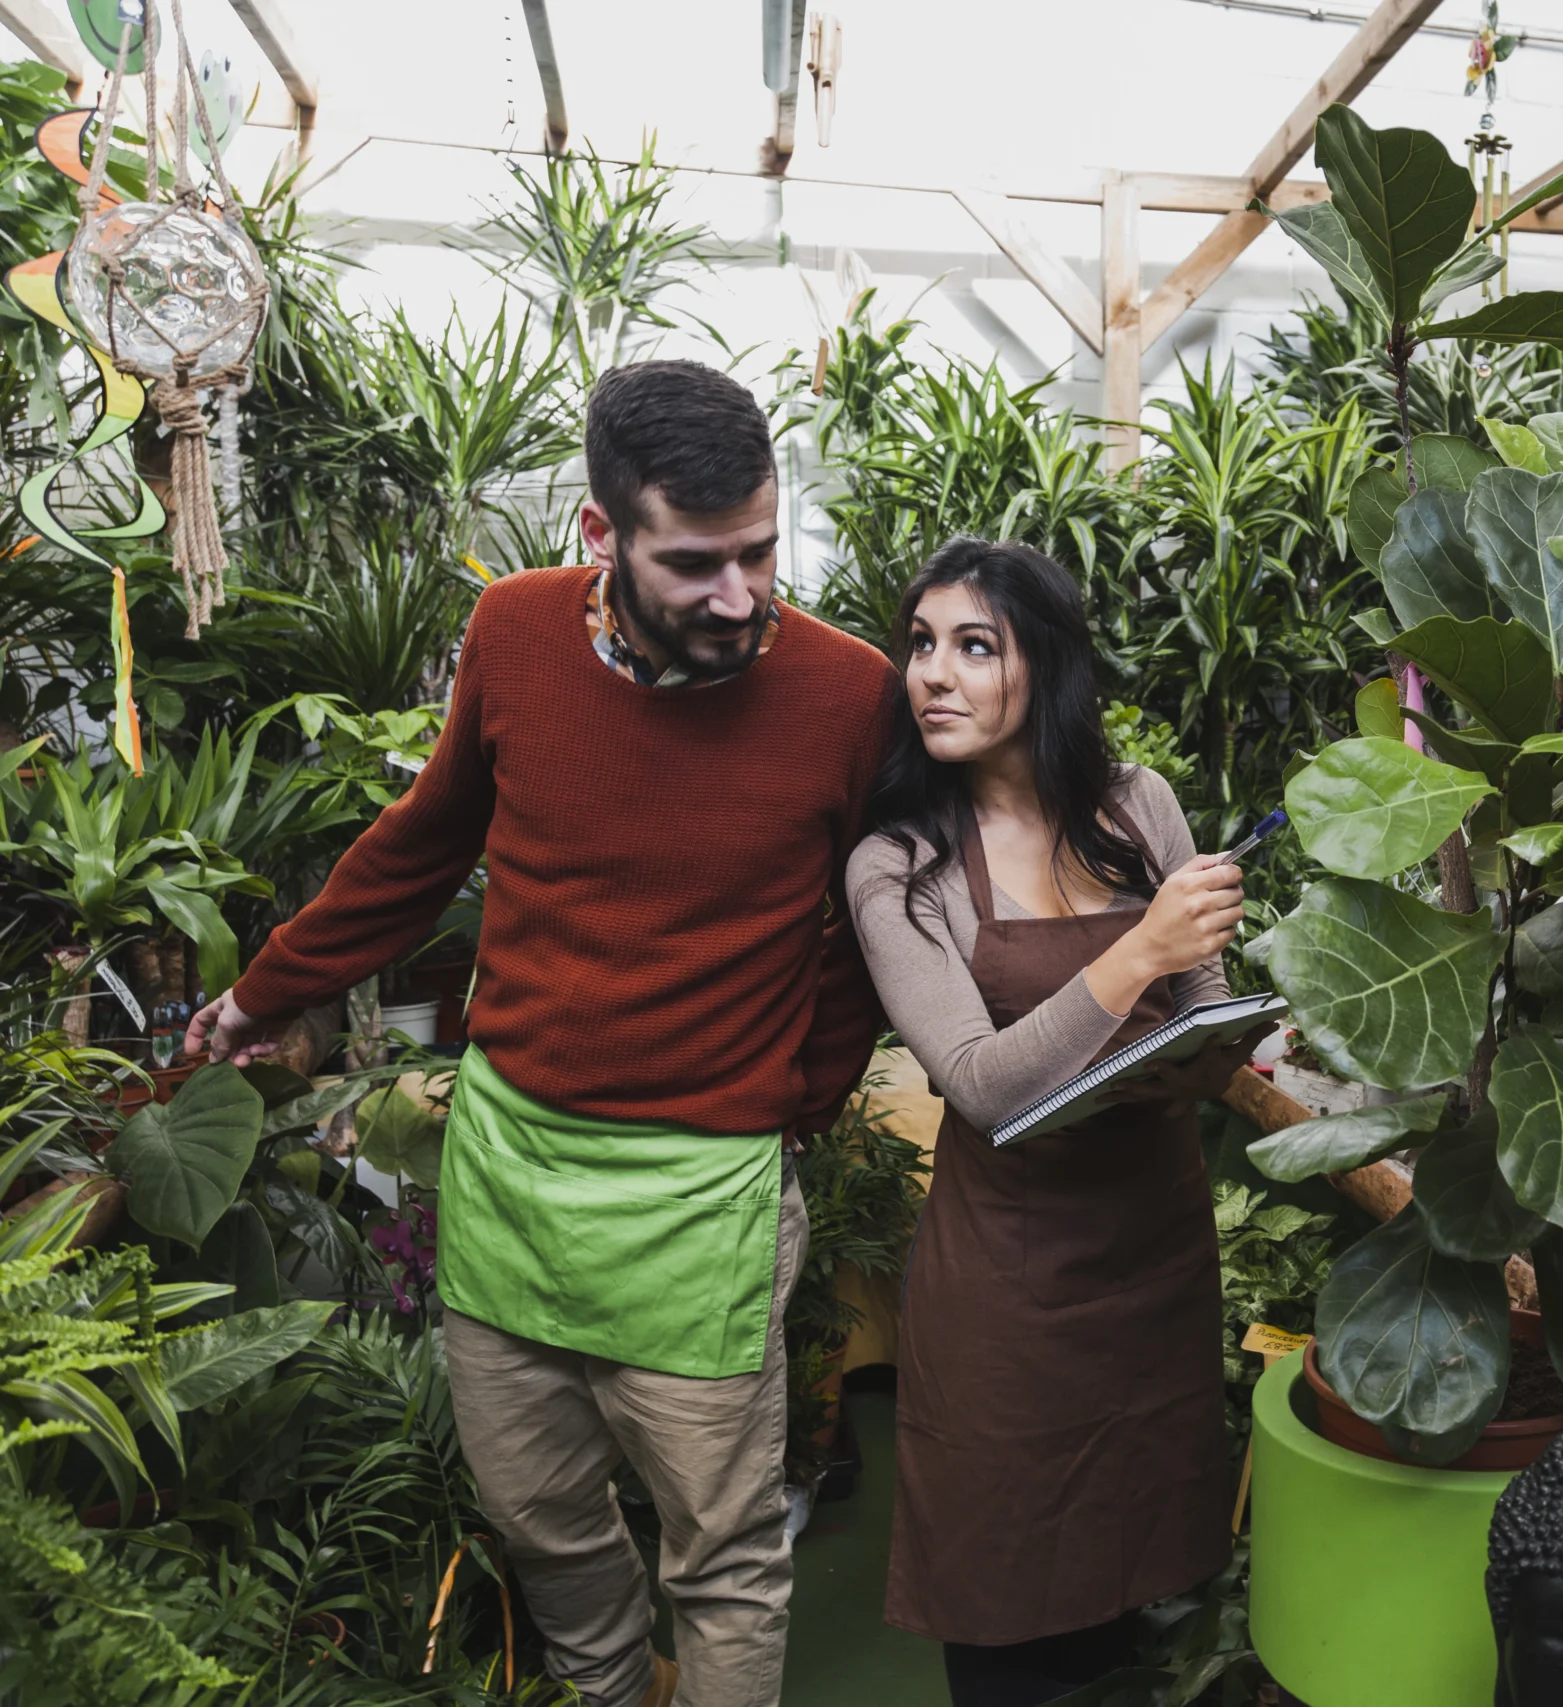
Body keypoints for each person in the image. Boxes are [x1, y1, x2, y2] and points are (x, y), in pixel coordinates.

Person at [187, 359, 901, 1707]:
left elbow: (876, 926)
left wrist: (797, 1095)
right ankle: (610, 1687)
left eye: (759, 551)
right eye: (694, 563)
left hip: (703, 1196)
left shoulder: (847, 692)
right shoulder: (514, 632)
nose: (741, 595)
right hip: (513, 1171)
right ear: (599, 533)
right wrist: (266, 991)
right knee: (541, 1515)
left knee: (723, 1557)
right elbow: (424, 841)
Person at [848, 537, 1259, 1706]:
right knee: (1007, 1613)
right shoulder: (899, 866)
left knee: (1133, 1605)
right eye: (921, 644)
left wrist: (1219, 1040)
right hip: (1010, 1291)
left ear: (1047, 665)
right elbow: (980, 1085)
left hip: (1154, 1259)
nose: (933, 673)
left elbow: (1208, 1009)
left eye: (974, 646)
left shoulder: (1138, 808)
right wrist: (1139, 952)